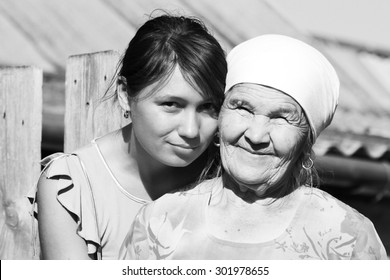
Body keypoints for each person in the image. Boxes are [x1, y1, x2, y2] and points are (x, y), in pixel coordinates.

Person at [120, 34, 387, 260]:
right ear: (221, 115)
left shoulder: (347, 237)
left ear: (307, 139)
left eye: (281, 117)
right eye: (243, 108)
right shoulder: (159, 223)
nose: (256, 135)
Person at [28, 14, 227, 260]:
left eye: (208, 107)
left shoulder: (228, 174)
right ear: (124, 93)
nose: (191, 130)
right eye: (171, 104)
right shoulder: (72, 187)